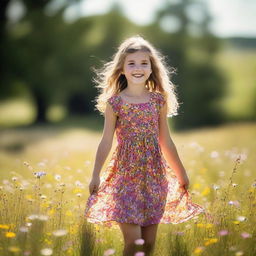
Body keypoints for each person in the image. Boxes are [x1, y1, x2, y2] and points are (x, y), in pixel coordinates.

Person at [84, 35, 205, 256]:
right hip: (125, 176)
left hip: (154, 177)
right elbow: (106, 141)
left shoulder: (158, 100)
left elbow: (166, 141)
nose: (138, 68)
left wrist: (181, 173)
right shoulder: (115, 103)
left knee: (148, 244)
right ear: (121, 69)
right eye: (131, 63)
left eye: (143, 63)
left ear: (151, 68)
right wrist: (95, 174)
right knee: (135, 242)